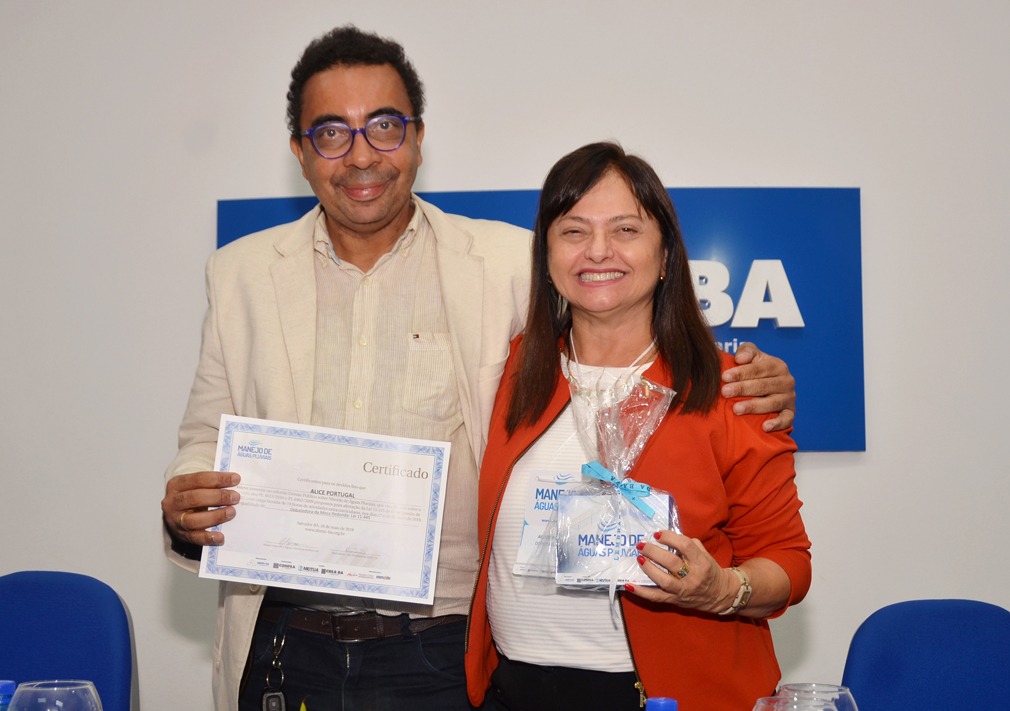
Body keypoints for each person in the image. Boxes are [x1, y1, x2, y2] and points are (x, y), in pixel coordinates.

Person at [160, 27, 798, 711]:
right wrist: (185, 507)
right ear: (299, 150)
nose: (362, 154)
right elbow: (204, 438)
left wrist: (754, 377)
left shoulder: (506, 264)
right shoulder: (240, 275)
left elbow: (621, 320)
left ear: (418, 137)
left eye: (385, 126)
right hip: (288, 643)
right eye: (332, 133)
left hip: (437, 649)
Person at [465, 142, 812, 711]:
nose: (598, 250)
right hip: (515, 689)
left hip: (674, 695)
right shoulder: (505, 371)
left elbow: (789, 563)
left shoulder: (730, 389)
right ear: (546, 255)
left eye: (626, 229)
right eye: (573, 231)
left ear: (666, 252)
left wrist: (722, 590)